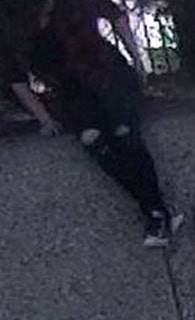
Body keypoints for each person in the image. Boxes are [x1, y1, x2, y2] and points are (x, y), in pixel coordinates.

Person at [25, 0, 182, 247]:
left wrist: (137, 59)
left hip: (104, 78)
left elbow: (117, 19)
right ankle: (156, 210)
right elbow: (37, 71)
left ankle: (155, 212)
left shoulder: (72, 12)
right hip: (81, 89)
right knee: (103, 140)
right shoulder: (42, 29)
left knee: (123, 137)